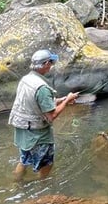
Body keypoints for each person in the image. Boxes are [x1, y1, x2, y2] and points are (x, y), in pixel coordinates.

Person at [8, 48, 79, 181]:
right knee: (46, 164)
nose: (51, 65)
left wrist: (62, 100)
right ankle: (43, 188)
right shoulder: (42, 88)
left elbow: (36, 103)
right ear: (46, 64)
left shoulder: (26, 79)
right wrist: (68, 100)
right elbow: (51, 116)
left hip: (22, 130)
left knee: (24, 159)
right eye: (51, 62)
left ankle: (15, 184)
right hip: (37, 135)